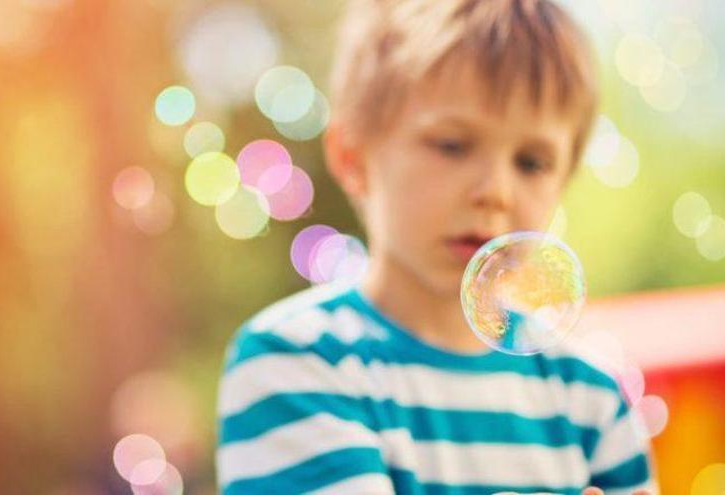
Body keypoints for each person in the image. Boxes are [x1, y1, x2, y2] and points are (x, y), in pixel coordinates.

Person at [216, 0, 655, 493]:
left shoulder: (591, 400)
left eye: (531, 162)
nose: (495, 191)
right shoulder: (294, 363)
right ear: (353, 157)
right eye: (452, 145)